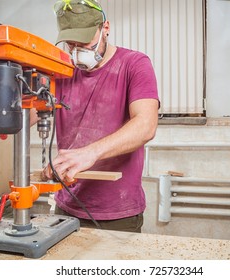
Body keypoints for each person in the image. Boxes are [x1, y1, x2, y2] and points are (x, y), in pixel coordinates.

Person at [34, 0, 159, 233]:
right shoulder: (63, 73)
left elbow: (146, 125)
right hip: (66, 208)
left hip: (118, 213)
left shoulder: (134, 64)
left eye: (85, 42)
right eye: (71, 44)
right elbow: (26, 113)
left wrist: (89, 153)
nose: (78, 50)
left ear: (106, 28)